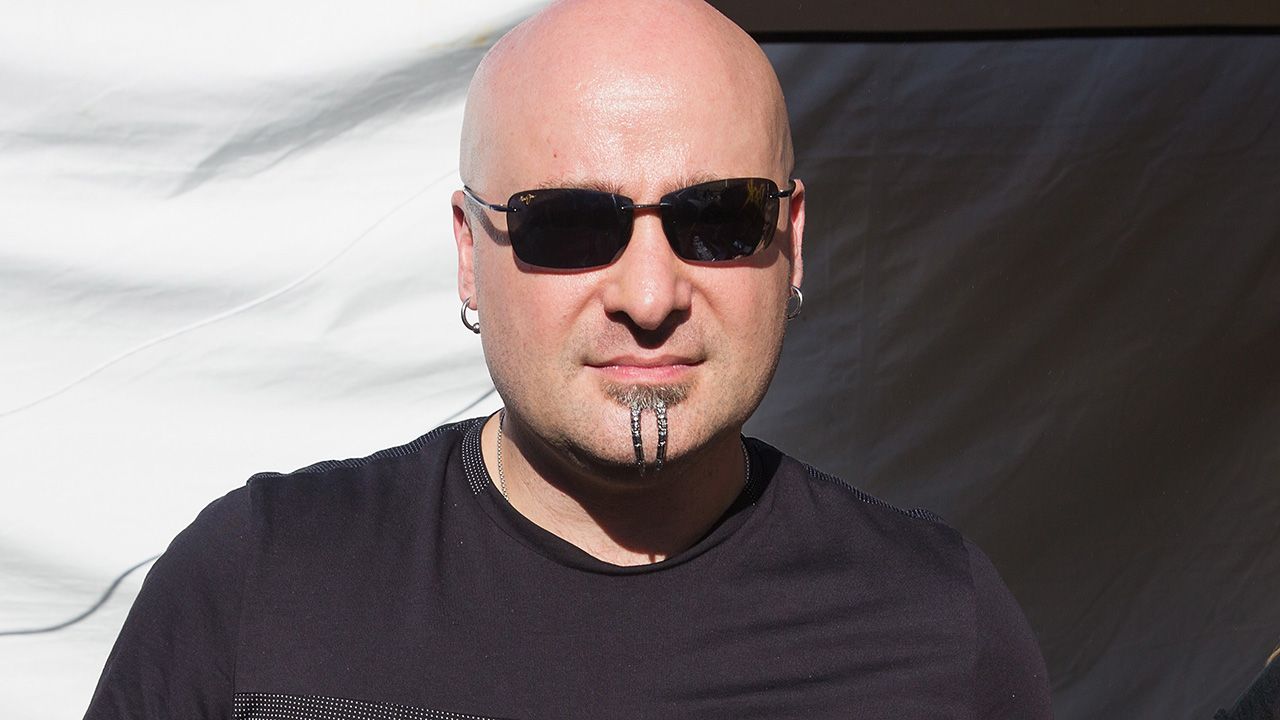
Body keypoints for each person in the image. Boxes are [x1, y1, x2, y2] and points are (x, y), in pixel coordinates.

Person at [85, 1, 1053, 718]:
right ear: (469, 253)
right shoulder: (260, 584)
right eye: (572, 225)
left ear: (790, 241)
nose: (649, 296)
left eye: (718, 219)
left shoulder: (936, 623)